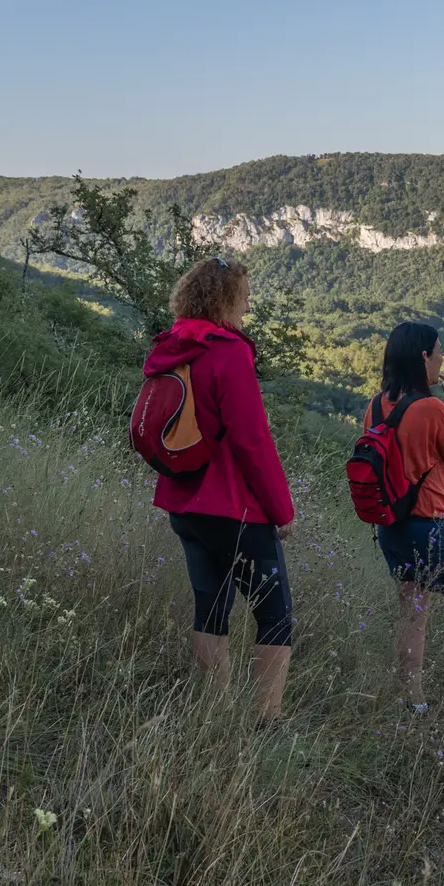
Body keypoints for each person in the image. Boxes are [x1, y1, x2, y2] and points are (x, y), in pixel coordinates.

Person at [144, 257, 296, 718]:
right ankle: (266, 720)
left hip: (183, 505)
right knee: (275, 614)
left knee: (210, 607)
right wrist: (282, 510)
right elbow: (252, 440)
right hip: (232, 507)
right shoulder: (228, 351)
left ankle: (216, 710)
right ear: (226, 300)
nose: (247, 309)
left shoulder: (170, 346)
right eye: (244, 299)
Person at [366, 321, 444, 718]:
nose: (442, 359)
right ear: (423, 356)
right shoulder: (432, 408)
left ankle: (413, 703)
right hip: (435, 525)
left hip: (392, 525)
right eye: (438, 351)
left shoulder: (374, 405)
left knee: (414, 614)